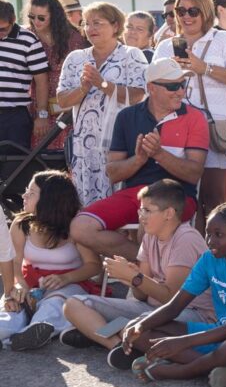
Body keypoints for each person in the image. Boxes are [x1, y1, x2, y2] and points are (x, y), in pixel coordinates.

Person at [120, 197, 226, 387]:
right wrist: (140, 326)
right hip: (221, 333)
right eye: (207, 234)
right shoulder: (209, 259)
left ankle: (182, 371)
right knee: (140, 329)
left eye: (218, 235)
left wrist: (182, 343)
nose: (210, 241)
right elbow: (175, 306)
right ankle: (220, 366)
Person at [61, 179, 215, 366]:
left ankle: (99, 332)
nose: (141, 216)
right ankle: (117, 345)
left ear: (169, 213)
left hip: (193, 314)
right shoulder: (150, 236)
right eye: (141, 210)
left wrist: (136, 278)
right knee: (73, 304)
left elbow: (171, 299)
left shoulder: (186, 238)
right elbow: (140, 296)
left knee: (137, 323)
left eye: (147, 210)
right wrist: (130, 278)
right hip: (154, 310)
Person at [69, 58, 208, 261]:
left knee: (149, 223)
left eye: (182, 84)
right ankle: (145, 266)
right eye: (172, 86)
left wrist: (159, 154)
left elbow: (195, 174)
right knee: (80, 228)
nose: (180, 91)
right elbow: (113, 173)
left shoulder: (195, 117)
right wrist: (139, 159)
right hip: (135, 195)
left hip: (176, 194)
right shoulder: (127, 116)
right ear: (151, 88)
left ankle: (144, 279)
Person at [155, 0, 226, 223]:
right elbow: (152, 84)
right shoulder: (166, 46)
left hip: (214, 125)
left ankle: (214, 255)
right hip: (176, 125)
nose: (186, 16)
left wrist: (203, 68)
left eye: (193, 11)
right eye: (181, 10)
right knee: (181, 198)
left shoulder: (223, 40)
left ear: (206, 12)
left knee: (214, 197)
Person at [57, 2, 148, 204]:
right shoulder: (76, 58)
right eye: (87, 23)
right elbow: (62, 100)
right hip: (85, 147)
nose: (91, 29)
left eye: (97, 23)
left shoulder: (131, 55)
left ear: (115, 26)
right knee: (85, 204)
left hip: (120, 144)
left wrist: (103, 84)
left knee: (119, 204)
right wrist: (83, 88)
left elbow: (138, 95)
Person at [0, 170, 100, 351]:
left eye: (31, 193)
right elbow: (15, 263)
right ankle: (10, 332)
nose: (24, 196)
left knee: (54, 306)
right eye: (26, 191)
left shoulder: (76, 225)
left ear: (50, 200)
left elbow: (94, 266)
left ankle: (35, 331)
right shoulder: (21, 224)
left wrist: (66, 278)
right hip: (29, 283)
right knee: (11, 310)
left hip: (70, 283)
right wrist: (19, 286)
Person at [24, 0, 87, 152]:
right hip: (38, 105)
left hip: (69, 102)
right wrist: (41, 114)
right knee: (41, 156)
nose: (35, 21)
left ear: (55, 15)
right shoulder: (27, 36)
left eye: (41, 17)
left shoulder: (73, 37)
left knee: (69, 154)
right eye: (32, 16)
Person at [0, 0, 51, 150]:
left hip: (14, 117)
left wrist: (42, 115)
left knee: (14, 167)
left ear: (13, 20)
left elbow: (42, 80)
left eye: (3, 29)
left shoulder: (28, 40)